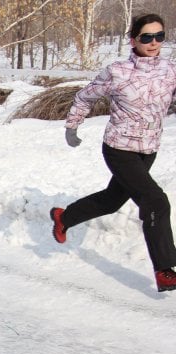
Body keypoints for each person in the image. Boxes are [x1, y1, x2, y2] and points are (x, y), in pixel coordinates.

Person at [50, 13, 176, 292]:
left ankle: (64, 217)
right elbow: (86, 96)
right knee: (156, 201)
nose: (154, 42)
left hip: (148, 149)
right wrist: (72, 126)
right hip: (119, 148)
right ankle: (166, 270)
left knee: (111, 200)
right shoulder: (117, 71)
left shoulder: (170, 70)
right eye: (147, 37)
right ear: (133, 40)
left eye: (159, 36)